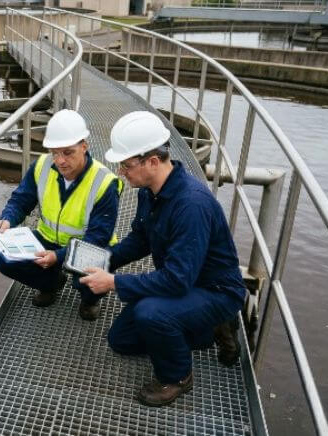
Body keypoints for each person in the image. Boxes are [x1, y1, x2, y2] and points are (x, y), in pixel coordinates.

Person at [81, 111, 245, 407]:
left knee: (151, 314)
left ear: (153, 162)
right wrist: (104, 260)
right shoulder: (149, 192)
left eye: (126, 165)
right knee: (121, 340)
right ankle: (209, 329)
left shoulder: (191, 205)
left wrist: (113, 282)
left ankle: (177, 376)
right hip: (184, 282)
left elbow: (176, 280)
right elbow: (140, 240)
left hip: (215, 290)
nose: (121, 172)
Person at [0, 109, 121, 321]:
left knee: (88, 278)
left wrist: (58, 257)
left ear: (84, 146)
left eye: (68, 153)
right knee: (5, 260)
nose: (60, 161)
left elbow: (98, 237)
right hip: (49, 239)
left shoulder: (105, 182)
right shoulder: (41, 166)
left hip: (88, 246)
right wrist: (8, 218)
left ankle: (90, 300)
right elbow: (21, 199)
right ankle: (51, 283)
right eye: (55, 153)